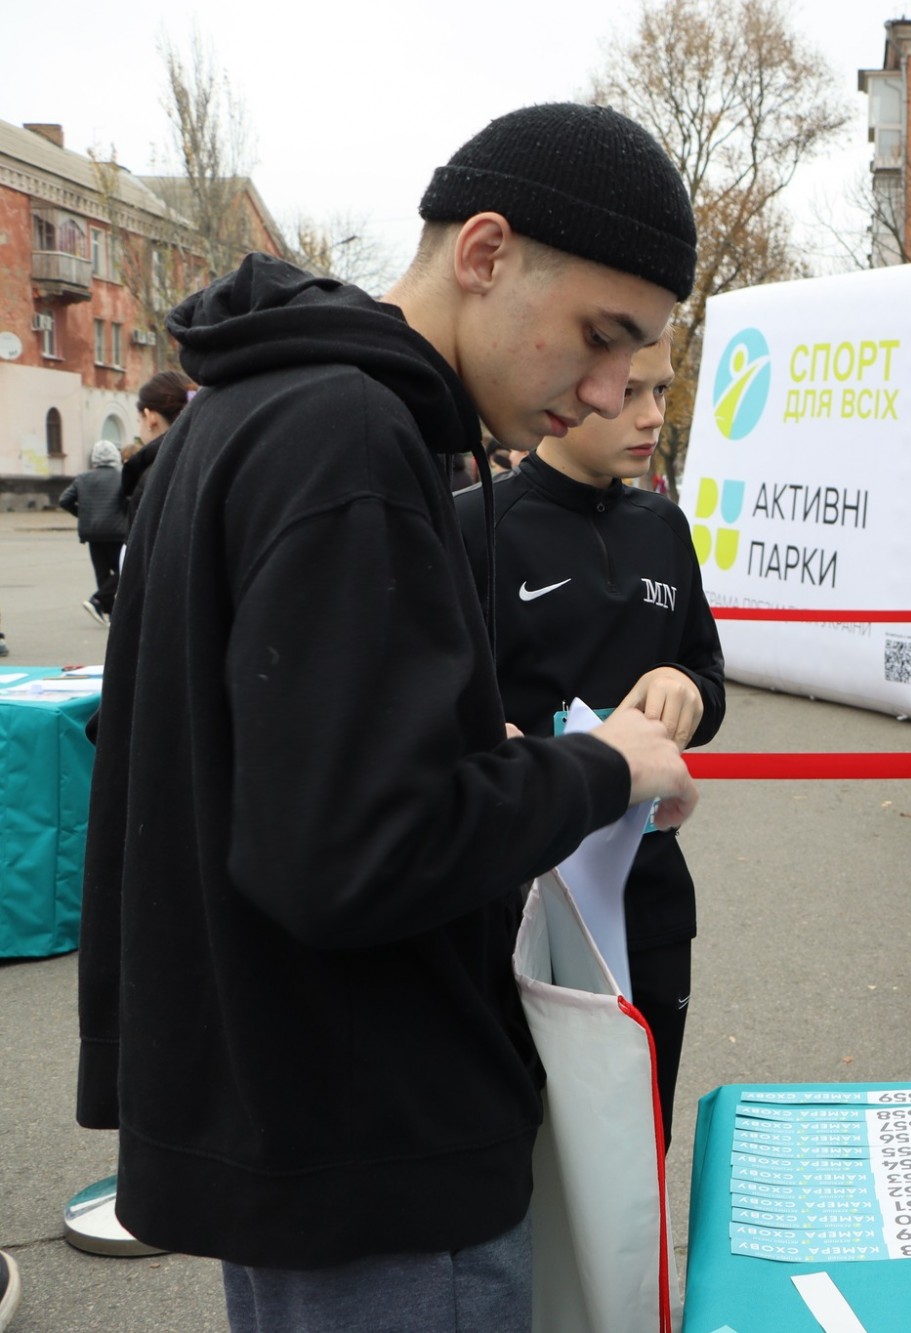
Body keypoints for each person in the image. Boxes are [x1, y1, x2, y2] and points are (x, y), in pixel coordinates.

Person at [77, 103, 701, 1332]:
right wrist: (598, 770)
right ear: (482, 253)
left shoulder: (251, 409)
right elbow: (353, 850)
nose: (604, 390)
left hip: (288, 1115)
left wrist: (481, 757)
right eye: (599, 334)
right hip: (380, 1140)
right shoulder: (352, 436)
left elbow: (272, 771)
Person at [459, 335, 723, 1148]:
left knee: (637, 1153)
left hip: (648, 894)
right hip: (517, 899)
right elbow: (437, 710)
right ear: (575, 389)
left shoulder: (664, 525)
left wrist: (687, 689)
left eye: (664, 392)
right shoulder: (475, 526)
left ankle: (631, 1287)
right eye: (635, 392)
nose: (651, 417)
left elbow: (707, 679)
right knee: (528, 1158)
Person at [58, 442, 128, 625]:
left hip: (92, 533)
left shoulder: (83, 478)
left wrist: (82, 515)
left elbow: (64, 500)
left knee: (102, 573)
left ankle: (109, 612)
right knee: (123, 570)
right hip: (117, 532)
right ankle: (99, 601)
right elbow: (129, 501)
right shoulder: (122, 477)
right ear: (115, 457)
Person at [119, 370, 195, 520]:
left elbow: (140, 542)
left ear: (150, 417)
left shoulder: (152, 477)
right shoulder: (204, 459)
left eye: (138, 420)